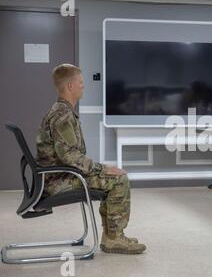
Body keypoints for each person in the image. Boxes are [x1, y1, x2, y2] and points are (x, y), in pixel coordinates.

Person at [36, 63, 146, 255]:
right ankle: (113, 238)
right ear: (70, 86)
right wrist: (103, 169)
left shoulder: (62, 111)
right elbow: (70, 157)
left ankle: (112, 236)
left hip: (59, 177)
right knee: (119, 180)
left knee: (113, 176)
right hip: (59, 181)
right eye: (81, 82)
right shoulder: (62, 116)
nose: (83, 86)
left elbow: (71, 157)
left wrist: (101, 168)